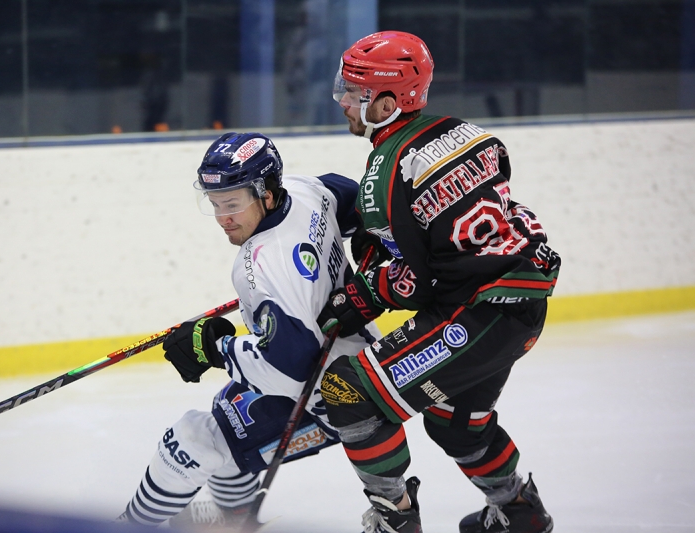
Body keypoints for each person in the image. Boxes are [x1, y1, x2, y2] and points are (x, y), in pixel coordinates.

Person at [317, 31, 561, 533]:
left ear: (385, 102)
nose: (341, 99)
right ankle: (520, 513)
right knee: (455, 423)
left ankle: (395, 518)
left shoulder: (385, 172)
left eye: (352, 91)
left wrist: (364, 294)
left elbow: (419, 283)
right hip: (521, 302)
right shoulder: (467, 132)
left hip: (479, 313)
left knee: (348, 391)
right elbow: (450, 242)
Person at [117, 132, 379, 529]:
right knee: (225, 426)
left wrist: (216, 347)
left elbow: (290, 370)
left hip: (335, 396)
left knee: (192, 440)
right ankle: (234, 520)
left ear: (267, 195)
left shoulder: (264, 266)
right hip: (346, 358)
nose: (223, 217)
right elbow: (351, 200)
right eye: (216, 203)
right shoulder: (304, 190)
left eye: (233, 204)